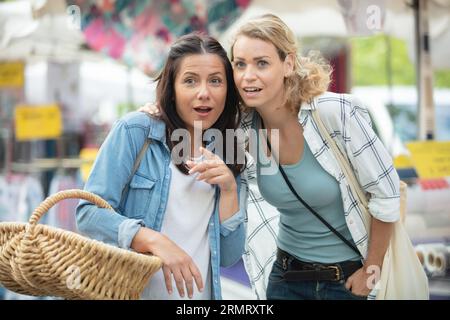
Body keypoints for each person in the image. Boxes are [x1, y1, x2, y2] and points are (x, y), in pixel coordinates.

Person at [140, 14, 400, 300]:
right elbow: (193, 124)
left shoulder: (335, 113)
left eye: (261, 63)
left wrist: (371, 271)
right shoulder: (242, 129)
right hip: (285, 277)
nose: (248, 75)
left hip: (348, 278)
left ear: (287, 64)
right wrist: (160, 112)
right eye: (240, 64)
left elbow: (386, 196)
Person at [76, 33, 247, 300]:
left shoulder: (229, 150)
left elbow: (229, 256)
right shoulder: (136, 131)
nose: (204, 93)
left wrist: (229, 191)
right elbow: (88, 214)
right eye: (190, 81)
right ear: (173, 87)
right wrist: (155, 241)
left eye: (215, 81)